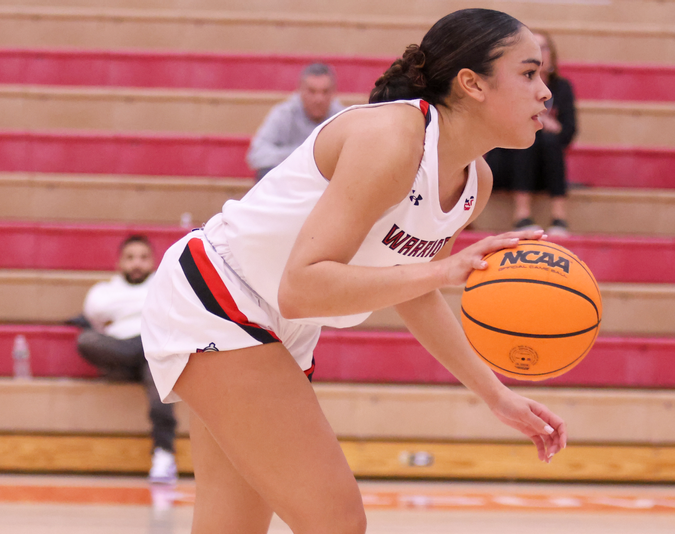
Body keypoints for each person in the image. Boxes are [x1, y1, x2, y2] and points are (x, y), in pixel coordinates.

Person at [142, 9, 567, 533]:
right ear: (472, 84)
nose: (546, 92)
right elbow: (303, 287)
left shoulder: (474, 181)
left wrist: (495, 395)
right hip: (219, 295)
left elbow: (412, 290)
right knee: (336, 521)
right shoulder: (391, 138)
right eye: (529, 73)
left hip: (275, 323)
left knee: (231, 528)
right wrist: (444, 271)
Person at [74, 235, 178, 484]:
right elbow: (95, 318)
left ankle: (163, 455)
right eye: (130, 258)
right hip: (121, 352)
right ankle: (164, 455)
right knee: (87, 340)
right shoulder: (103, 291)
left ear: (153, 261)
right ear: (119, 263)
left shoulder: (168, 286)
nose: (137, 264)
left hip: (152, 357)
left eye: (143, 258)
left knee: (155, 367)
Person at [485, 29, 577, 236]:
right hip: (506, 164)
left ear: (551, 54)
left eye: (543, 47)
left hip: (543, 166)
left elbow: (569, 134)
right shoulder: (512, 84)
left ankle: (559, 216)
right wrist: (538, 121)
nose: (539, 53)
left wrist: (550, 126)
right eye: (532, 48)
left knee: (548, 140)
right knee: (529, 137)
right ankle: (522, 214)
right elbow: (500, 129)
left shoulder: (562, 87)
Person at [246, 62, 346, 180]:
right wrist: (306, 157)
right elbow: (257, 155)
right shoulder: (284, 114)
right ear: (300, 91)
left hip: (327, 185)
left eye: (325, 92)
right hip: (289, 183)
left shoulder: (342, 118)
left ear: (333, 93)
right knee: (265, 173)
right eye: (312, 91)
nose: (319, 99)